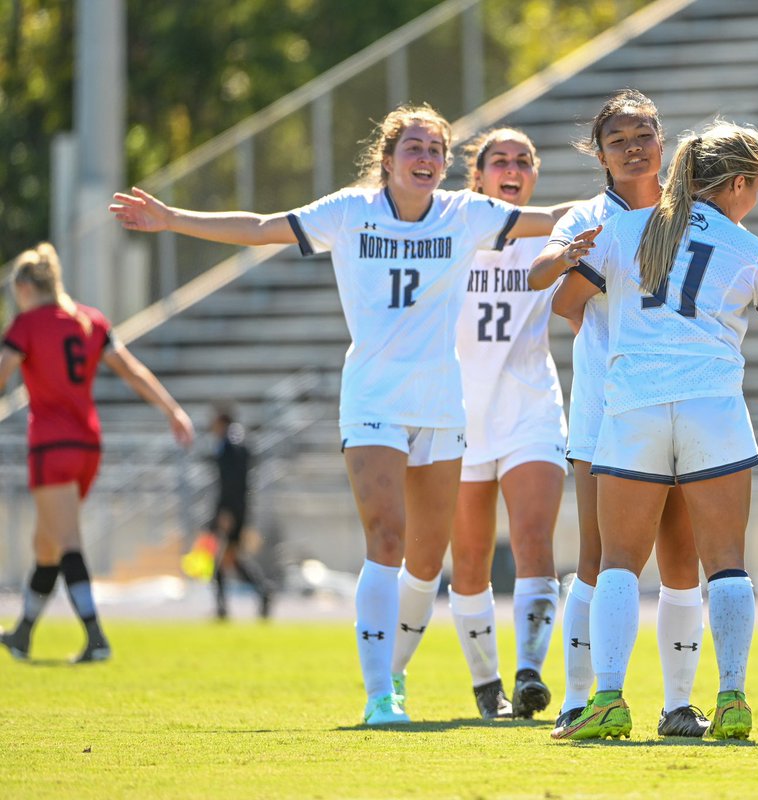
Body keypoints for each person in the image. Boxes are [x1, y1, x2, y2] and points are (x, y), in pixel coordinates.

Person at [110, 103, 573, 726]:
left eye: (436, 149)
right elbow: (258, 227)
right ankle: (381, 694)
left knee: (426, 561)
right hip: (374, 401)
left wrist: (645, 201)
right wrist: (172, 219)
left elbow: (553, 218)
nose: (427, 158)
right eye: (414, 147)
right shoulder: (351, 211)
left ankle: (399, 672)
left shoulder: (468, 214)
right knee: (386, 538)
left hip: (441, 404)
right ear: (386, 159)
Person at [549, 121, 758, 741]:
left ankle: (608, 699)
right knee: (724, 565)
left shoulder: (626, 227)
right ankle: (732, 699)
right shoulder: (748, 248)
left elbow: (565, 304)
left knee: (616, 563)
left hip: (633, 406)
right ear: (740, 184)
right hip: (712, 410)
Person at [527, 90, 712, 739]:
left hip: (682, 399)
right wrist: (571, 257)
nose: (633, 148)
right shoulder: (588, 217)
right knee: (600, 555)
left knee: (682, 554)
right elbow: (548, 288)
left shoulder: (692, 212)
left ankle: (679, 705)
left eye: (643, 135)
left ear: (662, 140)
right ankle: (582, 699)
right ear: (600, 154)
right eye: (619, 140)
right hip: (606, 405)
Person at [0, 243, 194, 663]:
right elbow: (132, 369)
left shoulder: (28, 324)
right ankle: (23, 633)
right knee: (46, 543)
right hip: (88, 443)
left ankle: (95, 636)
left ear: (25, 287)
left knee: (65, 539)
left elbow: (3, 372)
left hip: (51, 444)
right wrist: (172, 410)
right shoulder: (90, 320)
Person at [447, 127, 567, 719]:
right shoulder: (454, 229)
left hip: (530, 406)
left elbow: (585, 214)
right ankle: (486, 684)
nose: (512, 167)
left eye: (523, 159)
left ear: (534, 175)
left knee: (533, 542)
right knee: (468, 560)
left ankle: (529, 674)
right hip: (462, 413)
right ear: (479, 175)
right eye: (500, 160)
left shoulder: (550, 236)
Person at [206, 404, 272, 621]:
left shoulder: (229, 446)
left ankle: (228, 606)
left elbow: (231, 484)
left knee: (222, 563)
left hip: (231, 511)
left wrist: (226, 513)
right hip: (237, 509)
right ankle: (260, 593)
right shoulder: (238, 443)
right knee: (230, 560)